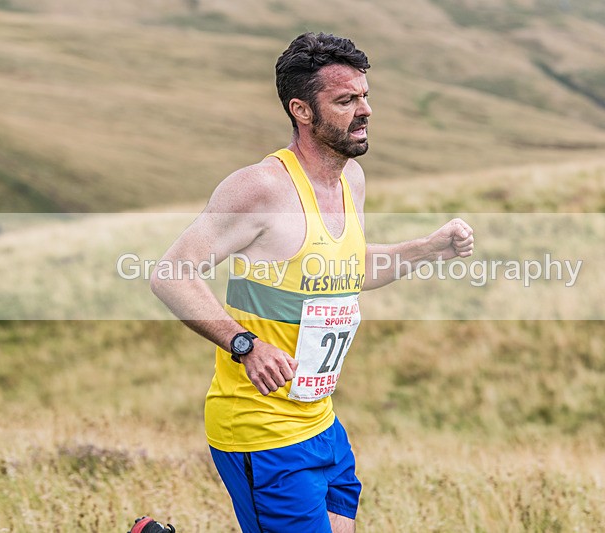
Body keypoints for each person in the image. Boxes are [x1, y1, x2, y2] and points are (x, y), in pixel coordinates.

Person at [150, 32, 474, 533]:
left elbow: (349, 271)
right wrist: (244, 344)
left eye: (365, 96)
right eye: (346, 101)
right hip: (260, 427)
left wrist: (428, 249)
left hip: (321, 421)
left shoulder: (350, 181)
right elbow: (171, 273)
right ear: (302, 110)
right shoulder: (261, 188)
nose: (364, 110)